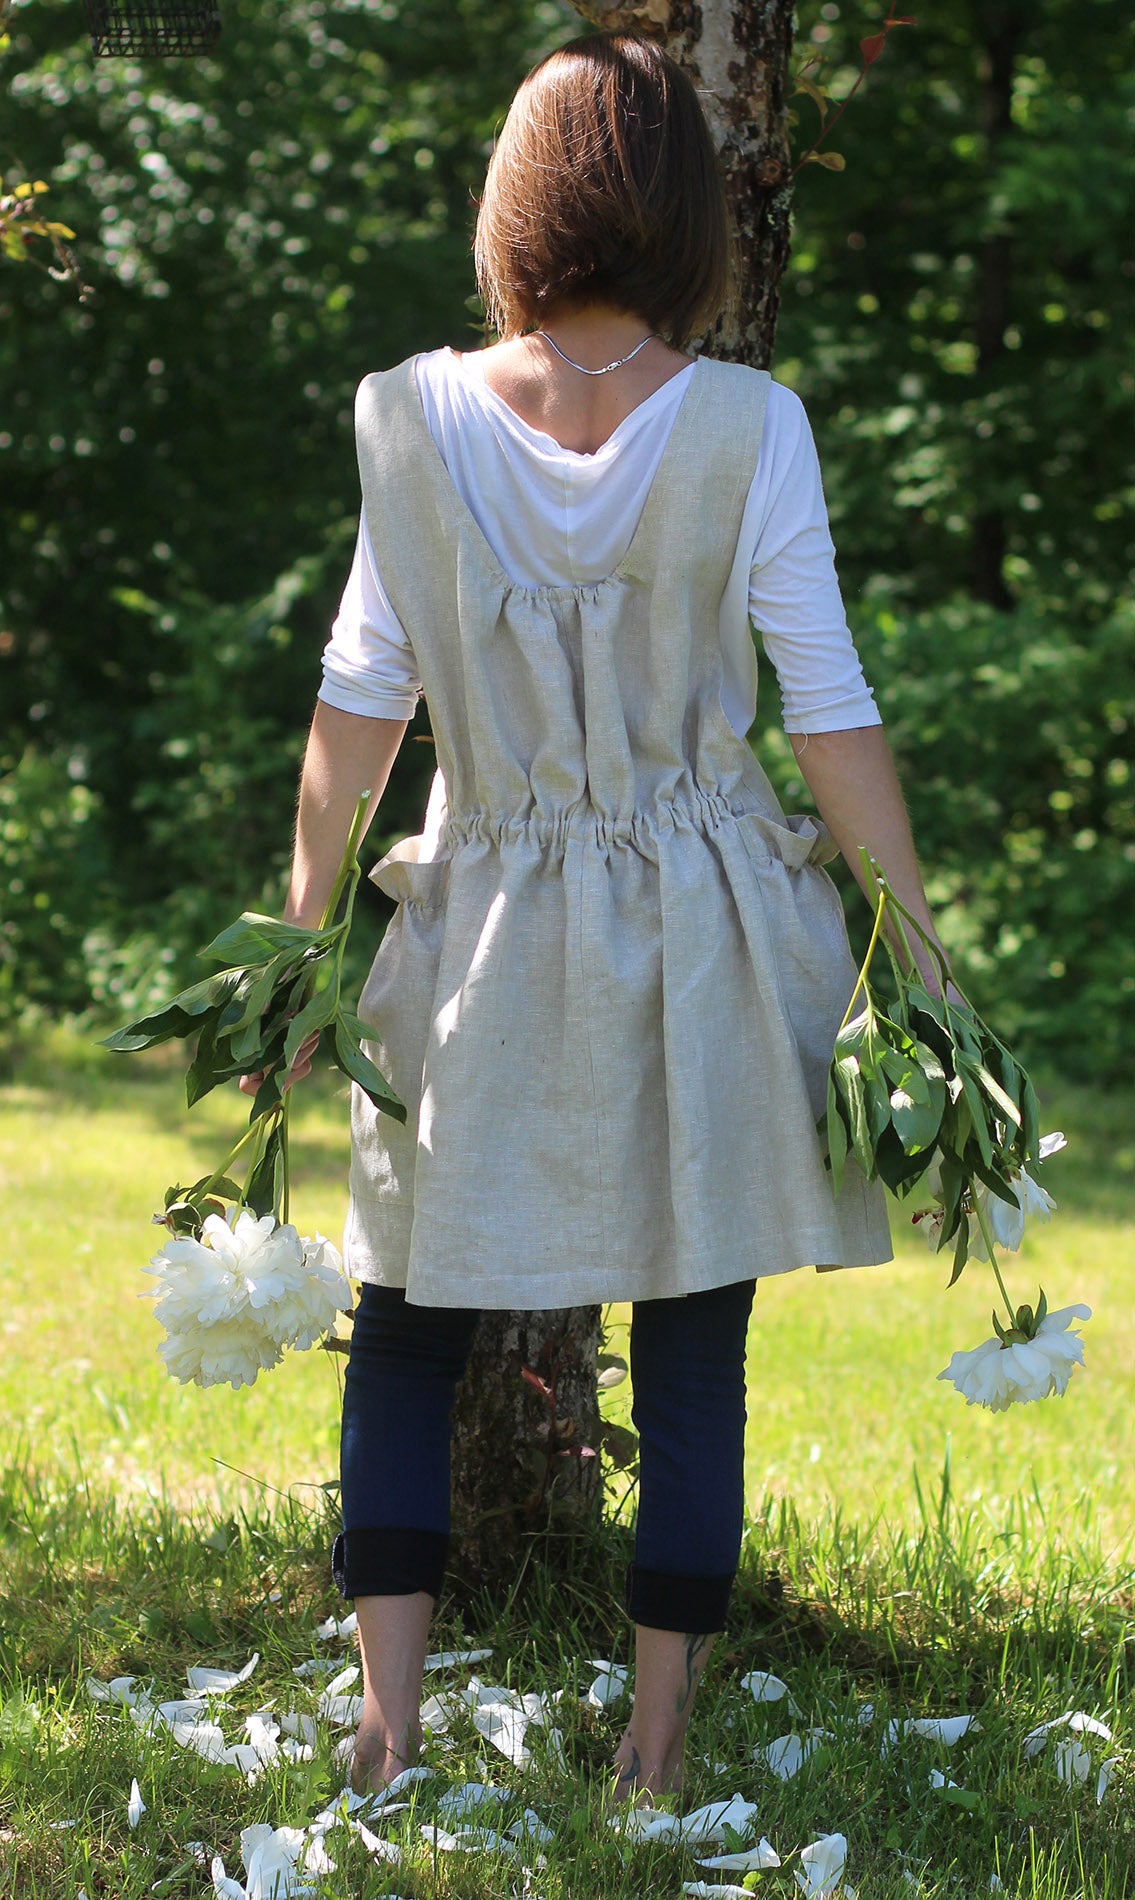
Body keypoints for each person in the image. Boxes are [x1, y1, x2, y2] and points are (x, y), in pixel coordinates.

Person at [246, 32, 948, 1805]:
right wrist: (914, 950)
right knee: (694, 1320)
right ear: (696, 215)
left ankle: (384, 1733)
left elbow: (361, 704)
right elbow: (828, 705)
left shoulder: (405, 415)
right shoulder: (746, 427)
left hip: (476, 921)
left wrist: (301, 946)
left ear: (516, 204)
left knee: (406, 1315)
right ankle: (655, 1744)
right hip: (698, 921)